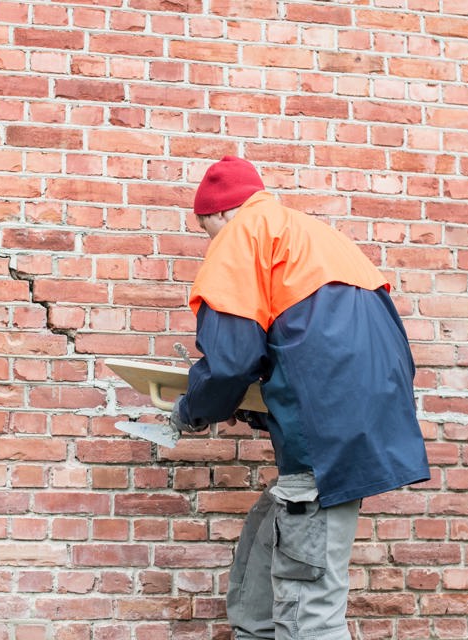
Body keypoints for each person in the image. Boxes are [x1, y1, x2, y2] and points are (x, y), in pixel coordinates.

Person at [169, 156, 430, 640]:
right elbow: (313, 350)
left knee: (308, 614)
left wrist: (193, 408)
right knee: (262, 583)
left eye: (206, 229)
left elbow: (231, 361)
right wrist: (254, 408)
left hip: (322, 450)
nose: (211, 240)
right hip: (361, 429)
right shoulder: (316, 237)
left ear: (218, 213)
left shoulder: (243, 235)